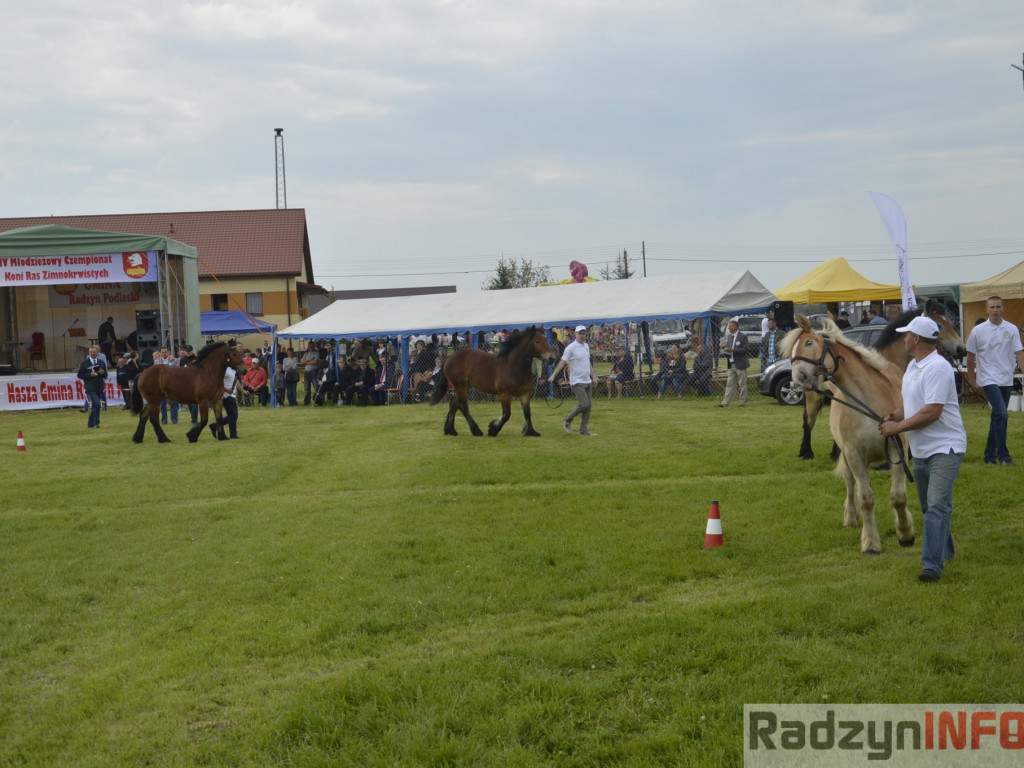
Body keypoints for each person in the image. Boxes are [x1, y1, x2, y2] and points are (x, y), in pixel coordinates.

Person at [879, 316, 967, 582]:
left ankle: (932, 566)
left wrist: (899, 428)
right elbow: (911, 402)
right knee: (932, 507)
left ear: (916, 339)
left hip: (945, 447)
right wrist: (894, 415)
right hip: (922, 449)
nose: (904, 338)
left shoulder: (937, 367)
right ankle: (946, 551)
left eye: (907, 335)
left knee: (937, 507)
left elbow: (932, 411)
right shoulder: (913, 368)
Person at [966, 295, 1024, 465]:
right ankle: (1004, 456)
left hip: (1006, 377)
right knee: (1002, 413)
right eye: (992, 307)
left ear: (1003, 309)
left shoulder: (1012, 329)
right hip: (988, 378)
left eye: (998, 307)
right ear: (987, 310)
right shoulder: (978, 331)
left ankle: (989, 456)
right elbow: (970, 356)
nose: (995, 310)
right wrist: (972, 380)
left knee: (997, 417)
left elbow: (1019, 352)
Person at [547, 325, 597, 436]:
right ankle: (567, 419)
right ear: (575, 334)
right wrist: (553, 375)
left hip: (587, 380)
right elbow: (562, 362)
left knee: (588, 406)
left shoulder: (586, 346)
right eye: (580, 333)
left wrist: (593, 376)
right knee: (584, 404)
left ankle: (583, 430)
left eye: (584, 333)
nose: (582, 335)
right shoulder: (570, 348)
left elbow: (588, 362)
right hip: (576, 381)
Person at [718, 319, 749, 407]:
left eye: (729, 326)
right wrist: (725, 349)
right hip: (731, 364)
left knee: (742, 384)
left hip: (740, 364)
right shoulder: (730, 337)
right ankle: (725, 403)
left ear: (734, 327)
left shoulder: (743, 336)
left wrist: (734, 350)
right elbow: (729, 348)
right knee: (729, 384)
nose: (728, 328)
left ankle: (743, 402)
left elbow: (746, 349)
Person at [77, 345, 107, 429]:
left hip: (99, 387)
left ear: (97, 352)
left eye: (94, 352)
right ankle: (96, 423)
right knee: (97, 404)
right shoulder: (84, 363)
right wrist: (90, 375)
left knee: (95, 405)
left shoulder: (101, 362)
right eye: (91, 352)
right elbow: (79, 375)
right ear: (89, 352)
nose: (92, 353)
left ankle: (90, 424)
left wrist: (102, 373)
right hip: (90, 387)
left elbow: (106, 374)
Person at [153, 347, 178, 425]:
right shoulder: (156, 362)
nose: (164, 353)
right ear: (160, 353)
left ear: (168, 352)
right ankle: (164, 421)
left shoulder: (175, 361)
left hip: (172, 386)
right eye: (162, 352)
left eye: (165, 352)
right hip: (161, 386)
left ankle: (174, 420)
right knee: (162, 405)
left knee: (173, 404)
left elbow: (177, 372)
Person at [299, 341, 319, 405]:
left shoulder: (316, 353)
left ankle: (317, 400)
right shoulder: (306, 354)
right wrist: (309, 359)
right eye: (309, 346)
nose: (310, 347)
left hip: (314, 372)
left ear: (314, 346)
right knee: (307, 388)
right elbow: (301, 362)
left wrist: (306, 362)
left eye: (311, 345)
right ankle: (307, 402)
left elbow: (315, 362)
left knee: (316, 387)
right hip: (306, 373)